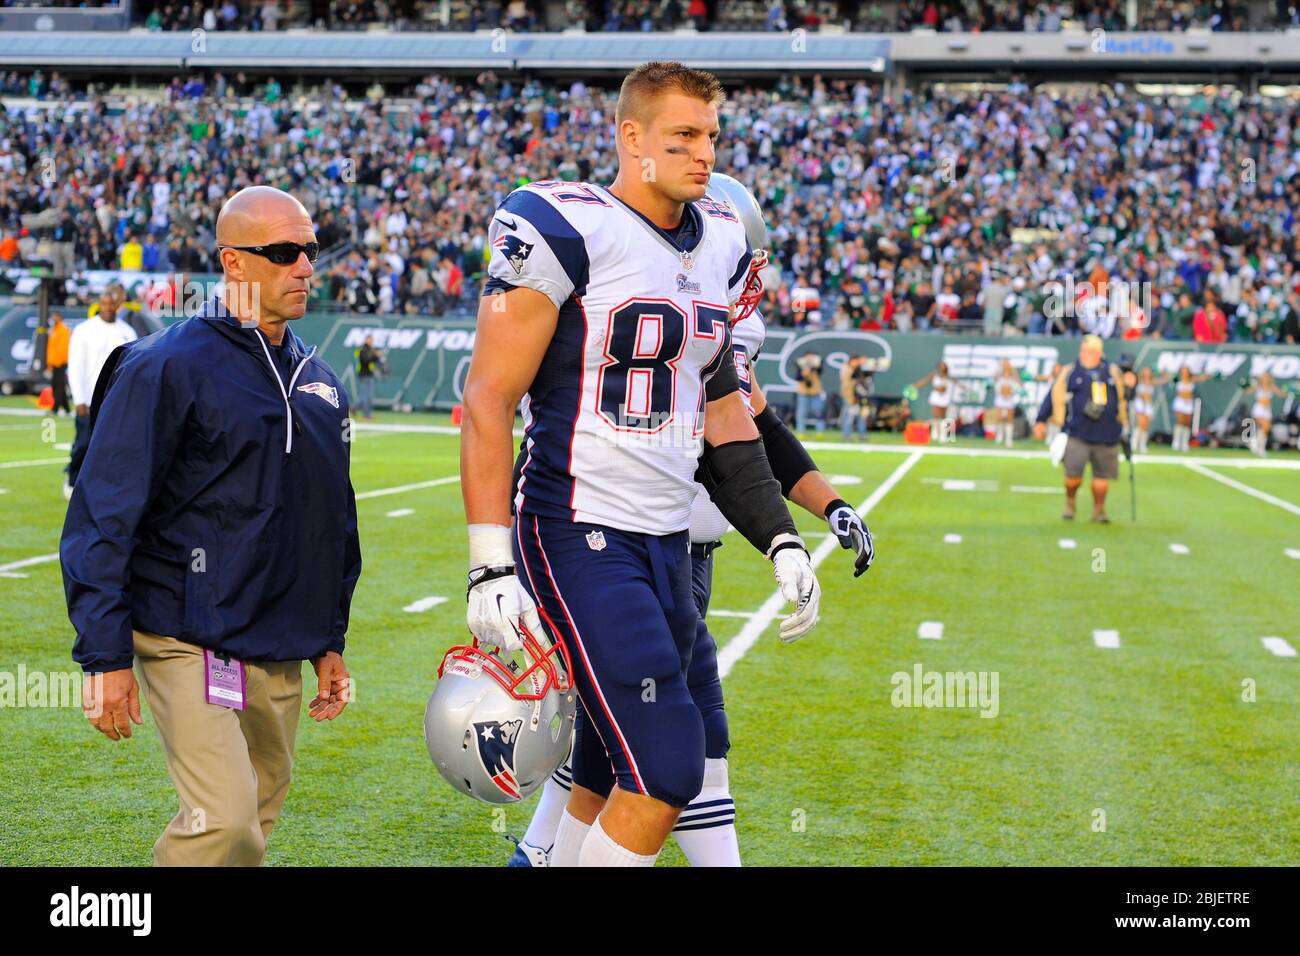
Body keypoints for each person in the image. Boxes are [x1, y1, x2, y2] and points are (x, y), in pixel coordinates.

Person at [457, 61, 820, 868]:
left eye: (711, 137)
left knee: (617, 760)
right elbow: (487, 398)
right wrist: (488, 565)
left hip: (664, 542)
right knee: (665, 767)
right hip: (577, 524)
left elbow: (724, 411)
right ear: (632, 138)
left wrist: (782, 538)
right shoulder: (561, 222)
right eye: (684, 136)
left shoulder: (720, 235)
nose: (704, 154)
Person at [507, 172, 875, 868]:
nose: (749, 272)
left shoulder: (708, 310)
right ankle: (539, 851)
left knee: (633, 742)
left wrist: (821, 509)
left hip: (669, 544)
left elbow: (748, 424)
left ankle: (539, 852)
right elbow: (721, 433)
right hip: (615, 540)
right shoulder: (664, 297)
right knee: (664, 743)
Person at [60, 186, 361, 867]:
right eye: (283, 253)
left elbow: (332, 519)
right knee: (222, 823)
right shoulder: (164, 364)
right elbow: (102, 516)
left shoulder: (318, 379)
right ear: (233, 262)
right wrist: (105, 656)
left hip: (279, 639)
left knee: (257, 814)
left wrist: (329, 638)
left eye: (309, 251)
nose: (305, 267)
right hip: (184, 632)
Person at [1034, 335, 1128, 523]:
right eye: (1083, 350)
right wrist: (1041, 420)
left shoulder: (1112, 372)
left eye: (1090, 351)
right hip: (1077, 431)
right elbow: (1053, 395)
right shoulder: (1070, 372)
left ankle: (1099, 510)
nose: (1085, 354)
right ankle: (1070, 502)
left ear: (1099, 353)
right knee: (1073, 476)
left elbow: (1125, 398)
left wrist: (1125, 421)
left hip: (1106, 433)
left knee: (1102, 478)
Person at [65, 290, 137, 497]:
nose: (108, 308)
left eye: (111, 304)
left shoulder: (128, 332)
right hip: (88, 399)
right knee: (84, 443)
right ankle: (72, 481)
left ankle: (104, 485)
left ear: (117, 306)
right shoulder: (84, 330)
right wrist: (78, 398)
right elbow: (76, 365)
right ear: (99, 305)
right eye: (104, 304)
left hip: (115, 399)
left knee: (112, 445)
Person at [1169, 366, 1211, 452]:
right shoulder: (1177, 379)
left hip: (1188, 404)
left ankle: (1184, 443)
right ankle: (1176, 442)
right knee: (1180, 422)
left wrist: (1208, 373)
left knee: (1186, 423)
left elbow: (1203, 377)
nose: (1184, 373)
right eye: (1183, 371)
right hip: (1180, 403)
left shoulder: (1192, 379)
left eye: (1186, 371)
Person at [1130, 367, 1169, 454]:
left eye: (1148, 372)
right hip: (1140, 404)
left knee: (1145, 426)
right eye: (1145, 372)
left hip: (1148, 405)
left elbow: (1166, 379)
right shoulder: (1139, 381)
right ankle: (1134, 443)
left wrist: (1162, 370)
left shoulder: (1152, 381)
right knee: (1140, 424)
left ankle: (1142, 444)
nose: (1147, 374)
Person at [912, 360, 953, 442]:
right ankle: (935, 434)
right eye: (940, 366)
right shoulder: (934, 375)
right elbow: (924, 381)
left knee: (944, 417)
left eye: (943, 366)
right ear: (938, 367)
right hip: (936, 398)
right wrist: (915, 386)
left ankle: (947, 435)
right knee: (935, 416)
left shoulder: (948, 377)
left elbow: (950, 386)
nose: (942, 367)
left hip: (945, 398)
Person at [1247, 373, 1286, 456]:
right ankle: (1257, 445)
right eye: (1264, 376)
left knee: (1266, 428)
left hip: (1267, 409)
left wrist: (1289, 390)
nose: (1266, 378)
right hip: (1259, 408)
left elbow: (1282, 394)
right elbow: (1247, 392)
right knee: (1263, 425)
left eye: (1267, 377)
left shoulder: (1272, 387)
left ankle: (1259, 445)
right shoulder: (1258, 386)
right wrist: (1245, 386)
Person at [839, 354, 872, 441]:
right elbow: (849, 382)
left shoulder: (857, 369)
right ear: (851, 361)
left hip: (858, 396)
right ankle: (846, 435)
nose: (857, 363)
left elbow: (867, 376)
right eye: (856, 361)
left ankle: (862, 435)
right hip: (850, 396)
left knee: (861, 416)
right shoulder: (846, 369)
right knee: (849, 417)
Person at [46, 311, 71, 415]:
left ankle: (55, 408)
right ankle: (66, 408)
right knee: (57, 385)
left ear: (60, 317)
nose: (53, 319)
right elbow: (51, 348)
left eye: (55, 317)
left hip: (60, 363)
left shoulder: (63, 330)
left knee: (58, 386)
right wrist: (50, 363)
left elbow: (63, 348)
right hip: (54, 363)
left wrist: (59, 362)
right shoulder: (54, 330)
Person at [990, 358, 1019, 448]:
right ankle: (999, 436)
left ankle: (1008, 439)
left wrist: (1010, 391)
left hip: (1010, 398)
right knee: (999, 417)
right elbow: (994, 381)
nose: (1006, 365)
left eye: (1007, 363)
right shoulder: (999, 373)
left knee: (1009, 419)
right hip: (1000, 398)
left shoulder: (1013, 374)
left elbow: (1018, 384)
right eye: (1004, 363)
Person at [794, 350, 825, 433]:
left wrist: (812, 367)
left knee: (818, 412)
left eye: (812, 356)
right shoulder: (801, 367)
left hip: (816, 393)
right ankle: (801, 432)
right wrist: (804, 372)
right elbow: (797, 378)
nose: (810, 358)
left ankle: (820, 432)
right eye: (808, 356)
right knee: (801, 414)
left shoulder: (817, 365)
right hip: (804, 393)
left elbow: (820, 369)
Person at [354, 335, 379, 419]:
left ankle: (354, 407)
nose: (371, 341)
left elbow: (373, 361)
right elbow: (365, 360)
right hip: (364, 374)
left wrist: (376, 356)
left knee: (366, 395)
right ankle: (366, 414)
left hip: (369, 374)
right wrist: (375, 355)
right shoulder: (363, 349)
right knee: (366, 396)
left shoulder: (370, 349)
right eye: (370, 339)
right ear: (366, 339)